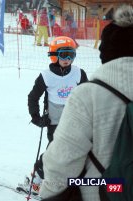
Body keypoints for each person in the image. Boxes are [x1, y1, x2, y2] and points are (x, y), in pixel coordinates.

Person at [39, 5, 133, 201]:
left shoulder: (90, 94)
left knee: (87, 182)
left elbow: (62, 162)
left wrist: (50, 195)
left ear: (106, 52)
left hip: (110, 189)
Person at [27, 36, 88, 194]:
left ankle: (63, 180)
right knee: (55, 151)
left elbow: (88, 95)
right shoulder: (46, 75)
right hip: (54, 121)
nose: (67, 59)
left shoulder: (78, 73)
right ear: (54, 56)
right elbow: (33, 97)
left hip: (75, 119)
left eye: (71, 55)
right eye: (63, 55)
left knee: (74, 151)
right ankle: (37, 177)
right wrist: (36, 117)